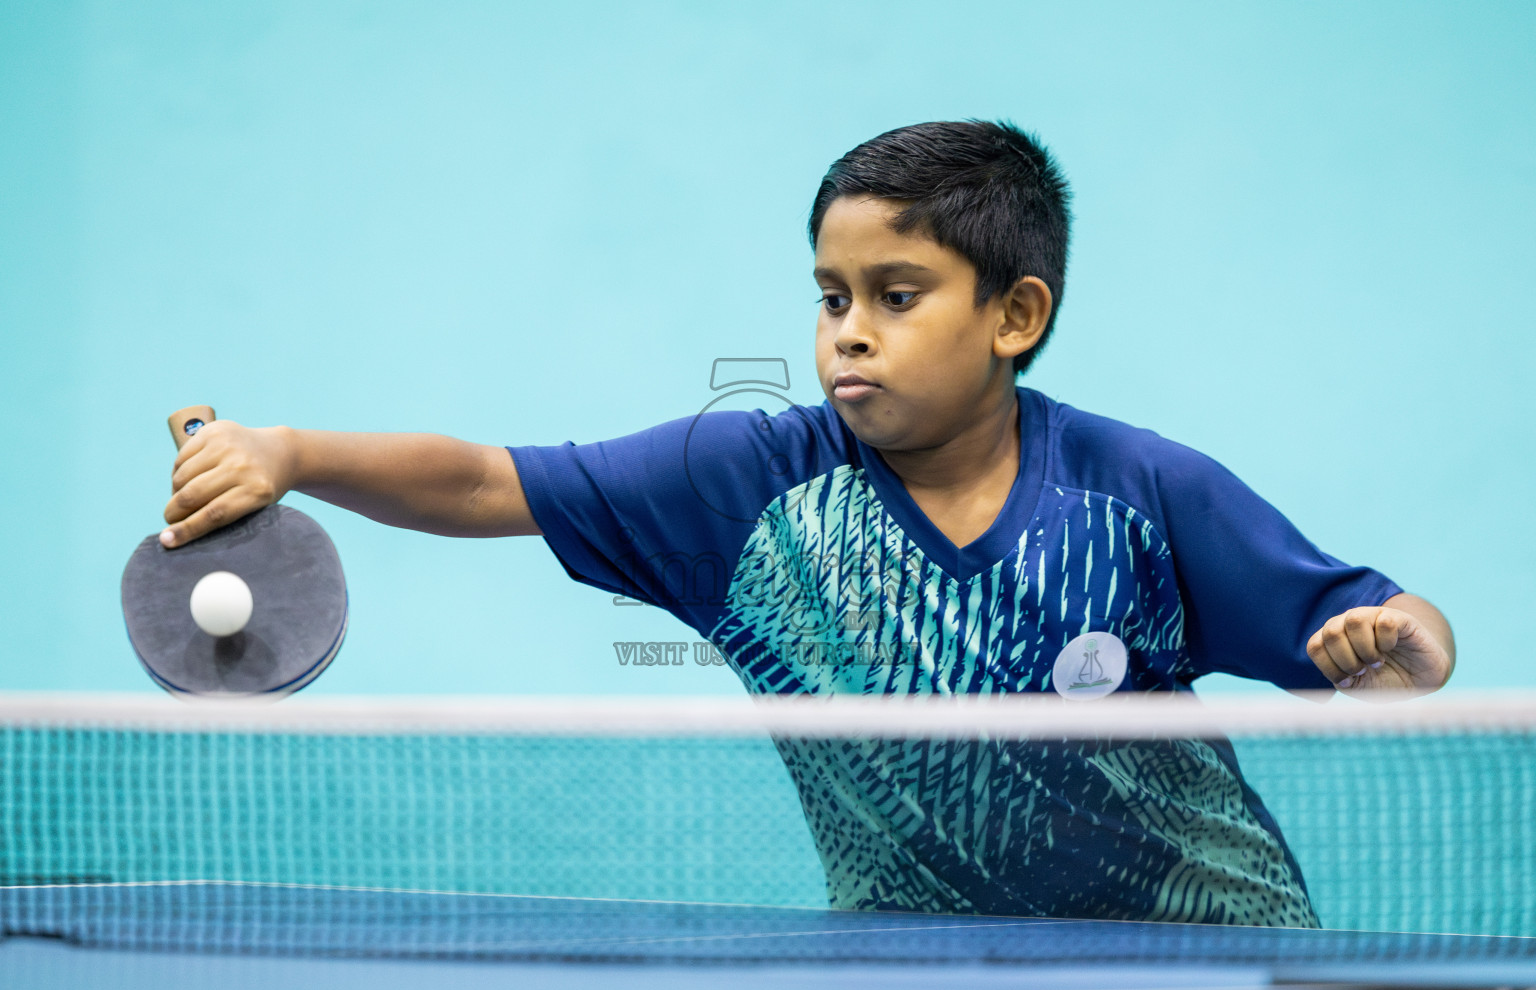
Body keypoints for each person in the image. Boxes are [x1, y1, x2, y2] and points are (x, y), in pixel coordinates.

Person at [159, 120, 1455, 927]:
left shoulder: (1137, 493)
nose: (849, 329)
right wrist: (292, 452)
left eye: (897, 294)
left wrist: (1398, 646)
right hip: (914, 966)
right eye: (831, 294)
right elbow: (489, 481)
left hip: (1209, 955)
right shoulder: (749, 490)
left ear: (1015, 315)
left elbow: (1398, 648)